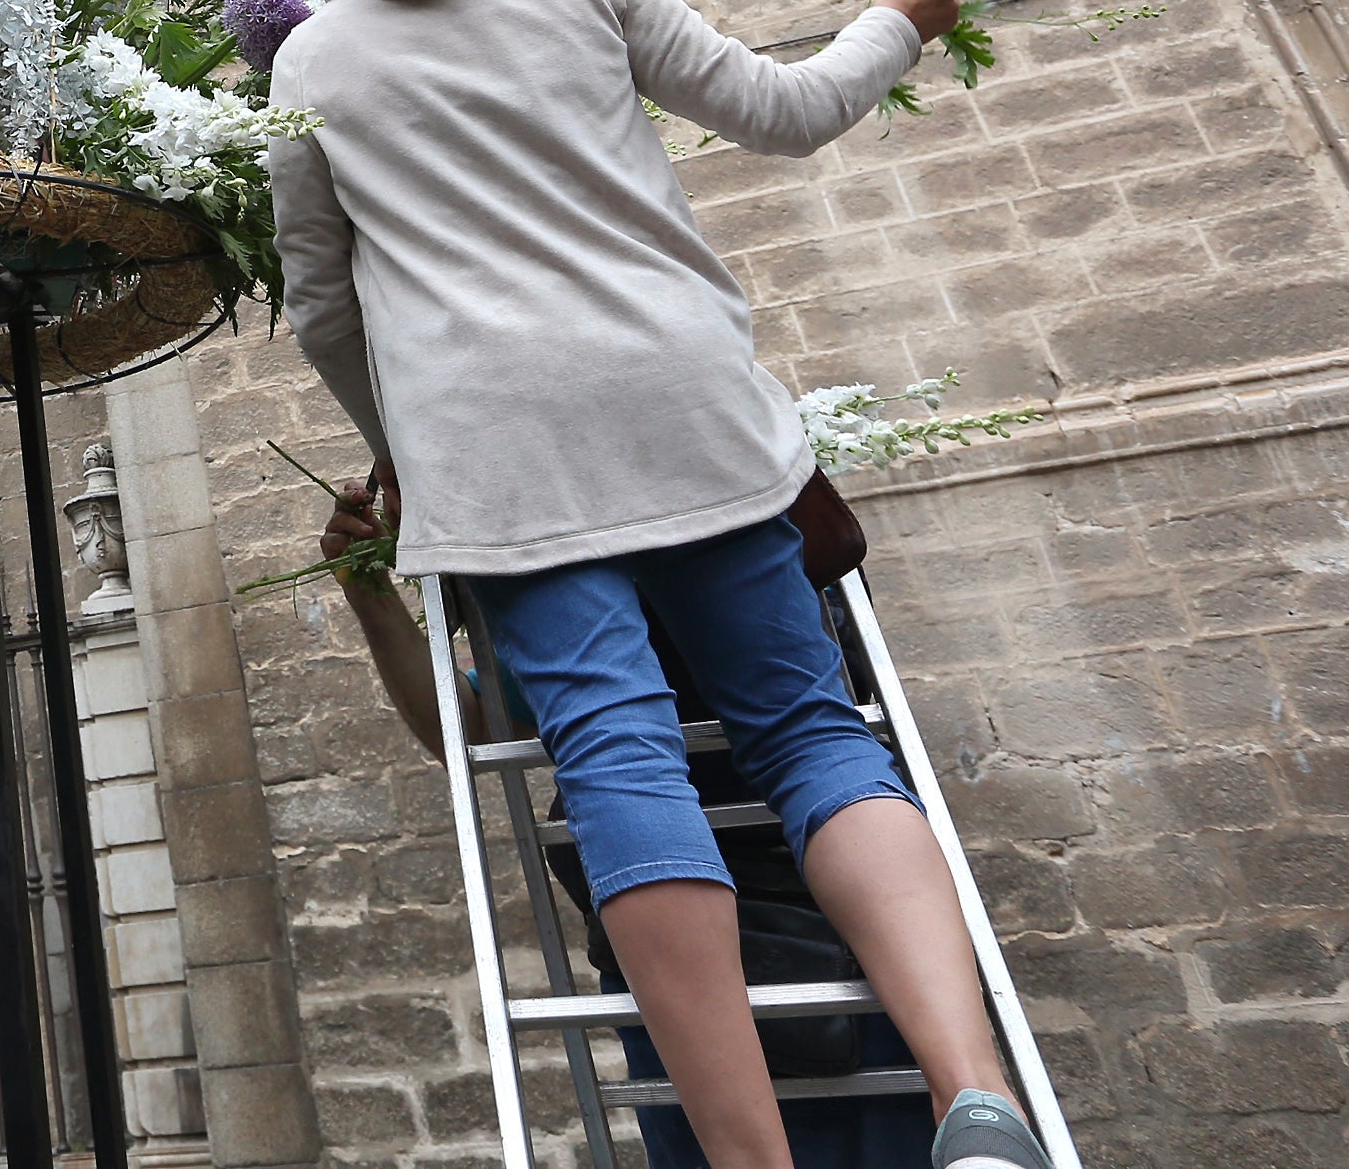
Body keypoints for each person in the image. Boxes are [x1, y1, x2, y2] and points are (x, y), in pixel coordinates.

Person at [264, 0, 1048, 1169]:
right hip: (682, 405)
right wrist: (895, 16)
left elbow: (322, 305)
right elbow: (786, 110)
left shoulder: (310, 60)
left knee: (613, 754)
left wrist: (402, 445)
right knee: (811, 733)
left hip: (499, 447)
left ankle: (746, 1158)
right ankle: (969, 1093)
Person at [313, 483, 931, 1169]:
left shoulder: (588, 559)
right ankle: (978, 1095)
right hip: (678, 937)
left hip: (820, 913)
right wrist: (370, 595)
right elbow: (474, 725)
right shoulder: (563, 585)